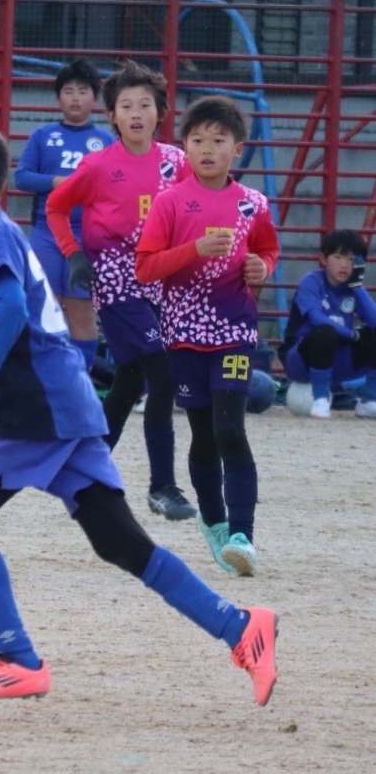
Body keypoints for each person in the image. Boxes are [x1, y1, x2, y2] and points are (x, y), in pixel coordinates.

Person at [0, 125, 277, 705]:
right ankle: (240, 627)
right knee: (120, 543)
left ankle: (17, 659)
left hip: (36, 406)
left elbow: (10, 307)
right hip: (68, 401)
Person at [44, 61, 194, 521]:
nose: (135, 113)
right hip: (114, 278)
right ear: (111, 115)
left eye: (144, 105)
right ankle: (163, 487)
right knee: (163, 372)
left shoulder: (176, 162)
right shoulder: (98, 164)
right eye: (126, 106)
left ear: (160, 112)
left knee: (129, 380)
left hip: (161, 277)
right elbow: (55, 207)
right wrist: (73, 254)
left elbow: (194, 210)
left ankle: (81, 476)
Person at [137, 97, 281, 576]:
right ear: (184, 146)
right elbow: (145, 268)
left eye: (218, 140)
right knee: (203, 436)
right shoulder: (169, 202)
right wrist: (194, 249)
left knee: (229, 430)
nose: (206, 148)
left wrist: (262, 267)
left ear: (236, 149)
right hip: (182, 337)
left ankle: (243, 536)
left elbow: (267, 250)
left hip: (234, 332)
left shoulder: (253, 203)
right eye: (197, 139)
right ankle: (215, 523)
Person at [13, 59, 110, 367]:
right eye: (68, 91)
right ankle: (46, 376)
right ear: (58, 98)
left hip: (89, 237)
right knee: (46, 307)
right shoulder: (43, 135)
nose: (75, 98)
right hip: (46, 233)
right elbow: (21, 178)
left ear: (95, 98)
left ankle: (83, 379)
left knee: (82, 307)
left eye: (83, 91)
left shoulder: (108, 141)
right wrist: (58, 182)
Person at [280, 229, 376, 419]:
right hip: (300, 360)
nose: (344, 265)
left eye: (351, 259)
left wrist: (357, 287)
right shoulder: (312, 281)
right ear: (323, 259)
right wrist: (352, 335)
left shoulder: (353, 288)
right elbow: (317, 319)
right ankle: (320, 399)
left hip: (337, 359)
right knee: (325, 331)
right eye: (338, 257)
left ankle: (369, 400)